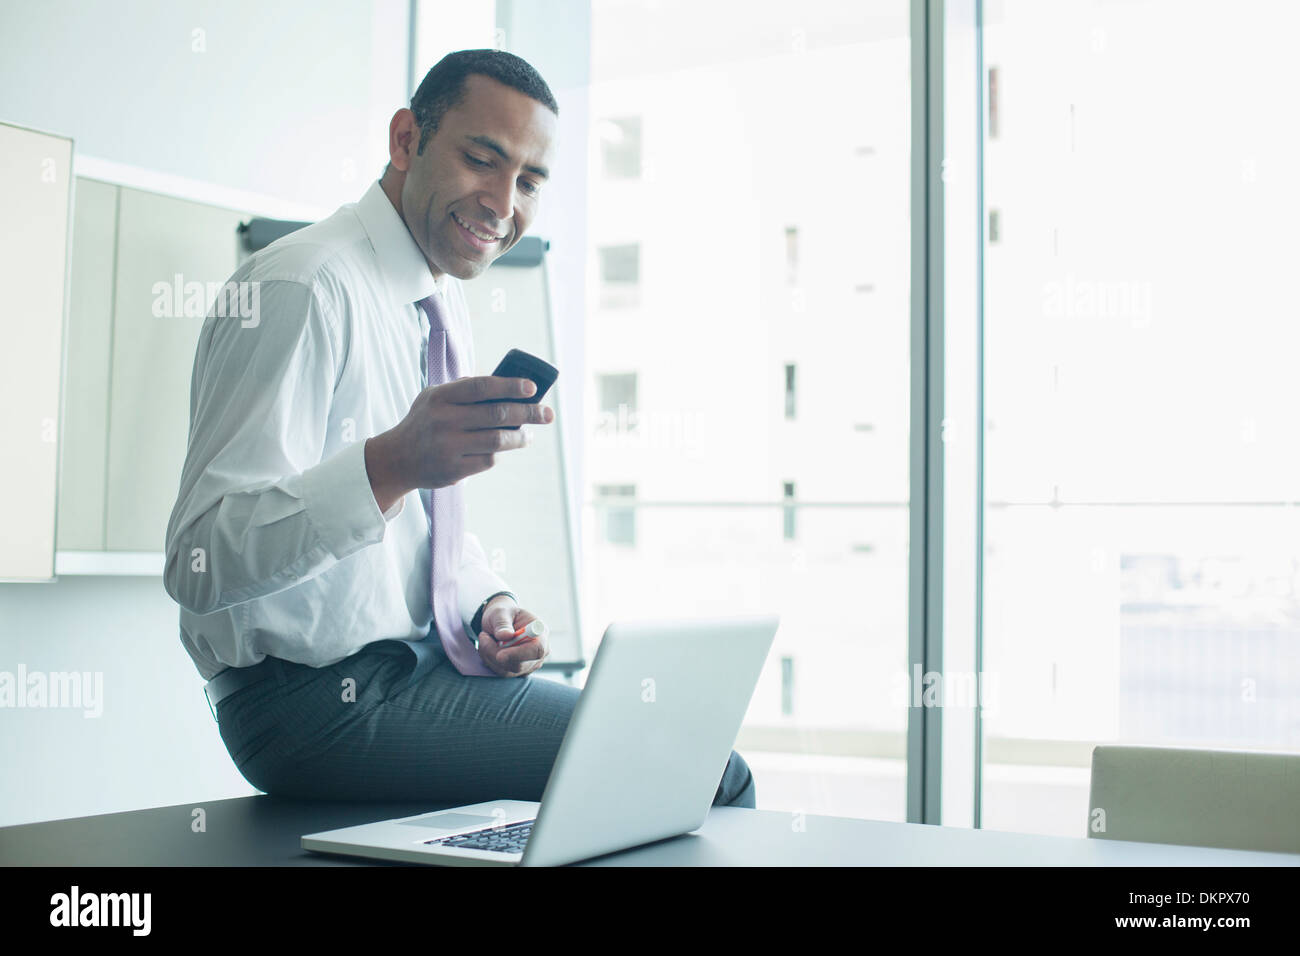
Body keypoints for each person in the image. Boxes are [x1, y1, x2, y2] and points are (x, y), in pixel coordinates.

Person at [163, 49, 755, 809]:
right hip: (307, 706)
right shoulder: (302, 289)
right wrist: (392, 464)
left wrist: (487, 606)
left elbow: (424, 533)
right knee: (707, 769)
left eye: (531, 182)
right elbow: (199, 562)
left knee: (664, 769)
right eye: (483, 159)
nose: (505, 204)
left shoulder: (438, 302)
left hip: (418, 668)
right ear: (406, 139)